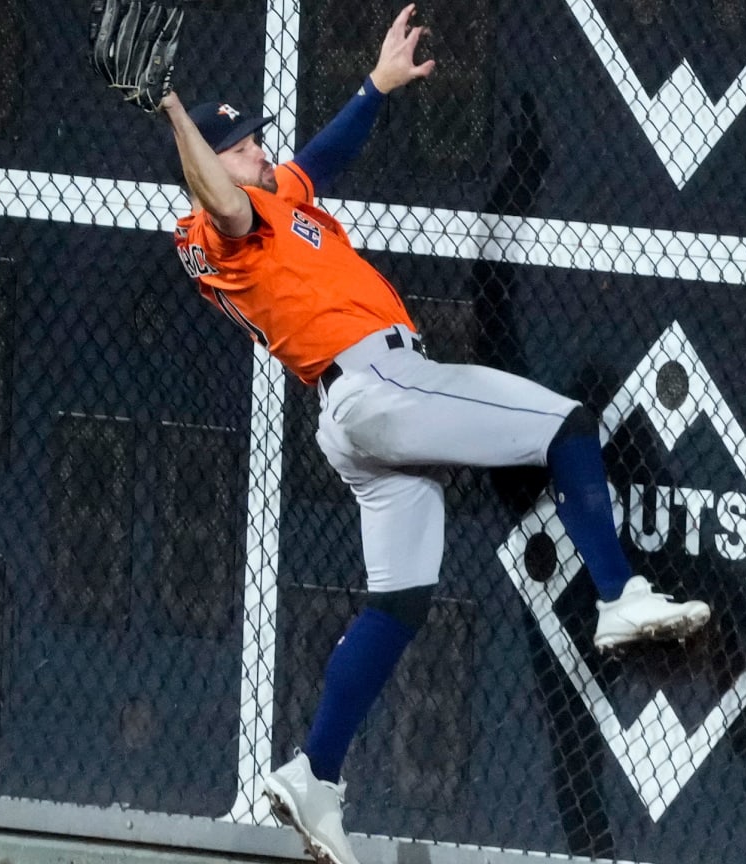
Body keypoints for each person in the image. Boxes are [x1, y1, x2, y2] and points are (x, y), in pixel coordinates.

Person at [159, 6, 711, 863]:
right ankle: (616, 599)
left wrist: (376, 85)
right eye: (242, 148)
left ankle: (315, 775)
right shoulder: (218, 228)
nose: (261, 153)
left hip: (357, 420)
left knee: (401, 599)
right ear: (208, 168)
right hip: (380, 383)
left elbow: (320, 157)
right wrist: (171, 110)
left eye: (257, 143)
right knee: (565, 424)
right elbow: (223, 202)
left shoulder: (282, 200)